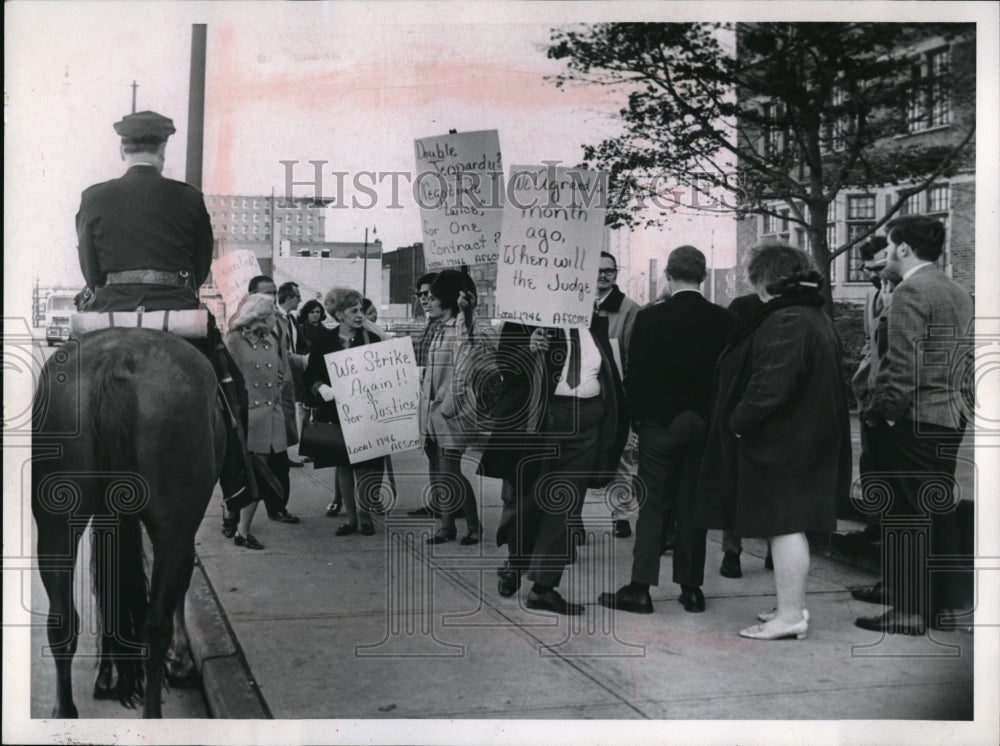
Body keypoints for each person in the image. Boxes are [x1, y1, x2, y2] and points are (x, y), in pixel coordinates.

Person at [75, 109, 258, 513]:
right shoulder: (188, 196)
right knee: (231, 392)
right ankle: (238, 484)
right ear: (163, 147)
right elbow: (201, 263)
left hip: (108, 310)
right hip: (175, 313)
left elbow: (89, 268)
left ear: (123, 147)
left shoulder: (94, 196)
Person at [696, 242, 852, 640]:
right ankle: (791, 606)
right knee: (788, 527)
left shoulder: (788, 320)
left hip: (784, 443)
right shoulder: (809, 313)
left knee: (784, 527)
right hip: (802, 438)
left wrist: (736, 422)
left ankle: (789, 616)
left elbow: (768, 387)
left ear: (765, 279)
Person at [599, 246, 737, 615]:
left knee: (653, 506)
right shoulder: (723, 320)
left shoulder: (650, 318)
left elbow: (636, 375)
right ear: (703, 276)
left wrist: (640, 418)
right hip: (704, 423)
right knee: (692, 507)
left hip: (661, 424)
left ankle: (640, 588)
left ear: (669, 275)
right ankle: (692, 589)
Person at [855, 216, 973, 635]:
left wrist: (881, 412)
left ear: (903, 248)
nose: (886, 252)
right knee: (937, 511)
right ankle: (944, 608)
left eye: (889, 245)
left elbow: (902, 367)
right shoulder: (956, 290)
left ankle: (908, 611)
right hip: (948, 416)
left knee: (908, 514)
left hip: (913, 419)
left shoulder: (910, 292)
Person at [481, 318, 627, 615]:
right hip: (541, 423)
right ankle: (516, 560)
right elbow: (504, 367)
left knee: (564, 505)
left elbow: (609, 372)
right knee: (526, 499)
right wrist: (528, 348)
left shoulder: (595, 322)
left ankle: (543, 588)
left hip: (587, 425)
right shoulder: (523, 320)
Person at [304, 287, 387, 537]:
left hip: (365, 411)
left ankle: (366, 516)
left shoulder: (371, 339)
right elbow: (310, 374)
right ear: (339, 314)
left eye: (361, 310)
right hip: (335, 412)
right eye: (354, 311)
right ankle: (351, 519)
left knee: (363, 467)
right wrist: (321, 388)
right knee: (343, 466)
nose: (360, 315)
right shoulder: (323, 342)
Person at [421, 270, 494, 545]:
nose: (427, 301)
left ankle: (473, 526)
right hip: (436, 411)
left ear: (448, 300)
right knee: (442, 470)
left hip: (455, 410)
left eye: (432, 297)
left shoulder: (462, 328)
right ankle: (446, 525)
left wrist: (468, 312)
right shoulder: (439, 329)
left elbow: (471, 344)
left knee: (450, 469)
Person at [222, 293, 295, 549]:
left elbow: (279, 372)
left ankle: (241, 529)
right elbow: (225, 378)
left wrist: (274, 396)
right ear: (257, 316)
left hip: (269, 415)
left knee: (259, 475)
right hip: (246, 416)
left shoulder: (271, 339)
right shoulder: (233, 339)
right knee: (243, 473)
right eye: (270, 314)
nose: (274, 319)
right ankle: (235, 519)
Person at [717, 291, 766, 580]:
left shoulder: (733, 348)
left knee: (733, 488)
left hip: (737, 424)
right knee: (770, 490)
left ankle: (731, 553)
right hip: (769, 425)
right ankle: (775, 550)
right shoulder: (774, 340)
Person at [594, 251, 643, 539]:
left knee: (622, 456)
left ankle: (621, 515)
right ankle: (572, 517)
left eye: (609, 270)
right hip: (585, 390)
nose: (603, 275)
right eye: (598, 270)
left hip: (617, 392)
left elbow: (630, 355)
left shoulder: (629, 309)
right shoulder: (577, 305)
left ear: (616, 273)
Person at [408, 272, 443, 518]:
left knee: (443, 456)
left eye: (428, 294)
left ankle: (448, 503)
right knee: (433, 451)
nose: (423, 299)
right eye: (420, 294)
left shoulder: (449, 324)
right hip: (428, 395)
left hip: (442, 399)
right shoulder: (432, 322)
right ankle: (439, 500)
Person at [276, 282, 308, 470]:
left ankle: (284, 454)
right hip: (281, 372)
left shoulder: (292, 319)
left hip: (293, 371)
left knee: (288, 413)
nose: (300, 299)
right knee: (282, 413)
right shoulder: (275, 319)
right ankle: (281, 456)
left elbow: (299, 344)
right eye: (297, 296)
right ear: (288, 298)